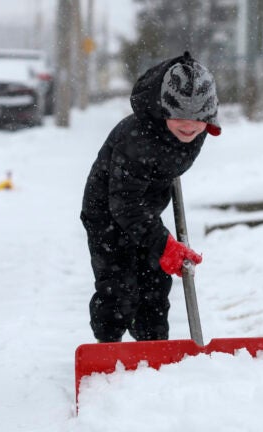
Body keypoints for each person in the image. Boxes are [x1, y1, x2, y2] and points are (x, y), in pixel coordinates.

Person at [80, 52, 221, 343]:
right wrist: (163, 243)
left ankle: (153, 349)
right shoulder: (138, 139)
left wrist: (157, 240)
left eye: (198, 118)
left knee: (154, 287)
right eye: (180, 115)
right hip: (107, 211)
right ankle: (108, 352)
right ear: (164, 110)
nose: (189, 126)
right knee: (119, 290)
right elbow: (123, 203)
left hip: (145, 210)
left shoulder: (197, 129)